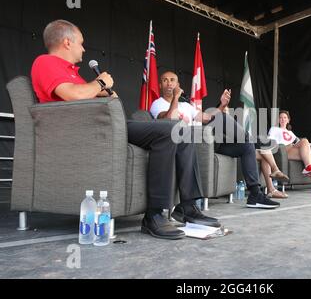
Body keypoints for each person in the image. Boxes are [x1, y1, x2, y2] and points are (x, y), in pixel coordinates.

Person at [31, 19, 220, 240]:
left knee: (180, 130)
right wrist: (100, 83)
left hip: (108, 124)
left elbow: (85, 93)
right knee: (170, 130)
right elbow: (72, 95)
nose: (83, 48)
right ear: (66, 42)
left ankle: (187, 206)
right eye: (81, 43)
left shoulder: (71, 72)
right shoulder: (45, 63)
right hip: (89, 130)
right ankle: (155, 215)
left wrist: (102, 91)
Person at [150, 71, 281, 209]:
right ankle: (253, 139)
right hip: (186, 144)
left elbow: (207, 118)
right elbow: (167, 120)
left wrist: (222, 105)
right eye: (165, 80)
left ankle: (255, 194)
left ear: (178, 84)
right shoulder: (157, 104)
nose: (169, 83)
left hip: (207, 142)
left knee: (246, 145)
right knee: (225, 121)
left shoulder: (186, 106)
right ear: (160, 85)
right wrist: (176, 97)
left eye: (172, 80)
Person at [268, 111, 311, 194]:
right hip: (282, 150)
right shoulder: (274, 129)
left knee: (305, 144)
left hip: (292, 149)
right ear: (278, 120)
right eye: (280, 117)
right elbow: (269, 141)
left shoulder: (290, 133)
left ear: (288, 120)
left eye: (285, 117)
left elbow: (303, 143)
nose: (283, 119)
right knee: (306, 146)